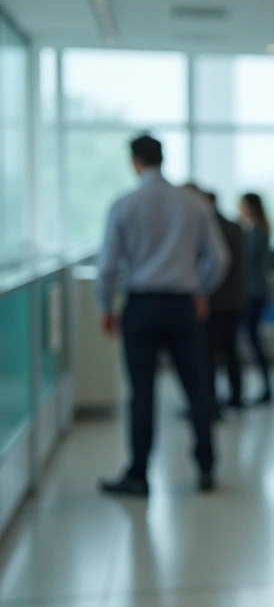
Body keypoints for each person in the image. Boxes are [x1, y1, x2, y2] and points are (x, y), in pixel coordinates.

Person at [96, 135, 229, 496]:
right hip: (183, 306)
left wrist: (106, 306)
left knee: (142, 393)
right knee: (197, 389)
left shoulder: (124, 204)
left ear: (135, 161)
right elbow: (218, 258)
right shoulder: (193, 204)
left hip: (140, 306)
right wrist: (200, 290)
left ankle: (138, 474)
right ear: (162, 159)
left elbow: (108, 265)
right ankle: (206, 469)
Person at [201, 190, 245, 410]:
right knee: (231, 351)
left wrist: (203, 290)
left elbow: (217, 262)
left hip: (214, 300)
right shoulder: (235, 227)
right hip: (235, 299)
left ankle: (211, 401)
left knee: (209, 354)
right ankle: (236, 397)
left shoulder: (207, 228)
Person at [239, 192, 273, 407]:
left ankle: (267, 388)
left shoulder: (257, 233)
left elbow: (247, 261)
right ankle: (265, 387)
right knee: (252, 338)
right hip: (254, 291)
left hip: (254, 292)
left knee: (253, 339)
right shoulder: (256, 230)